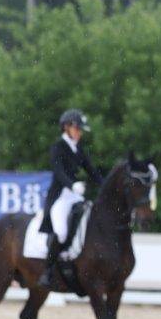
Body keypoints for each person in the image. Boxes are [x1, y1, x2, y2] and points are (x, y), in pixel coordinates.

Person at [39, 109, 103, 288]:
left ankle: (72, 255)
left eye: (81, 130)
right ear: (66, 127)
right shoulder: (58, 147)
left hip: (75, 195)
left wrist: (105, 185)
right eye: (77, 129)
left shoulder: (78, 149)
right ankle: (47, 271)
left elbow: (92, 171)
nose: (79, 133)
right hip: (60, 196)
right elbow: (58, 171)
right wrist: (72, 184)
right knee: (60, 231)